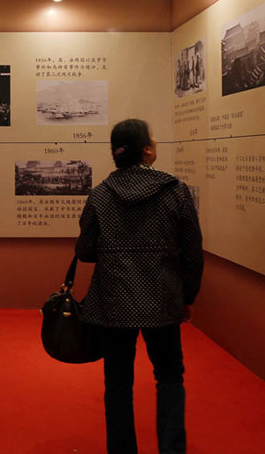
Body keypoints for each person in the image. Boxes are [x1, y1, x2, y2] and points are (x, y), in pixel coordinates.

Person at [75, 118, 203, 454]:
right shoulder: (174, 191)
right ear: (146, 150)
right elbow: (193, 252)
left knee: (117, 384)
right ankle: (172, 449)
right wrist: (187, 297)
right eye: (153, 138)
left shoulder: (101, 194)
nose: (157, 141)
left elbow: (85, 252)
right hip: (163, 301)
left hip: (113, 304)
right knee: (170, 376)